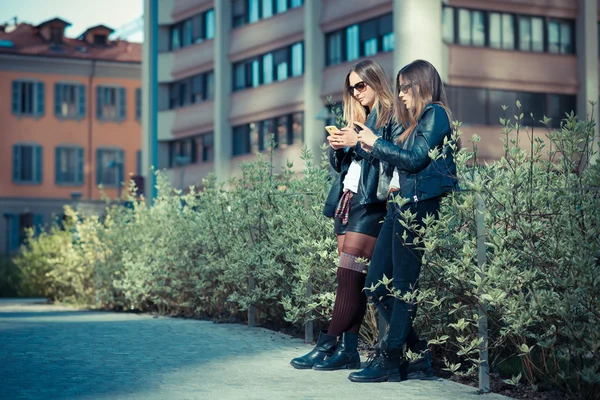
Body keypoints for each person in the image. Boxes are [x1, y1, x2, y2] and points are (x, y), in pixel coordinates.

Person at [348, 59, 458, 383]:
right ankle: (419, 356)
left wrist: (375, 143)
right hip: (401, 206)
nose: (400, 94)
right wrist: (369, 144)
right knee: (375, 286)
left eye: (405, 87)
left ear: (421, 85)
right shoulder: (415, 121)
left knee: (402, 287)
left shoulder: (435, 114)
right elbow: (401, 159)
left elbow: (415, 159)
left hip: (419, 206)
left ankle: (390, 358)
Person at [290, 59, 400, 371]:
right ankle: (348, 351)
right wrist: (339, 146)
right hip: (346, 203)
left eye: (361, 85)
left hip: (370, 206)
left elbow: (393, 161)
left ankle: (326, 344)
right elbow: (342, 168)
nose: (356, 92)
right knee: (349, 283)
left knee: (349, 276)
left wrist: (360, 144)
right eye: (352, 88)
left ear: (375, 81)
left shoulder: (391, 116)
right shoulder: (357, 118)